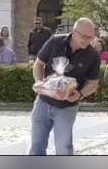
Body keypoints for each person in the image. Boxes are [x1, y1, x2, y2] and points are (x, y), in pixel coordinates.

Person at [30, 17, 101, 155]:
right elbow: (38, 64)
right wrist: (39, 82)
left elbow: (93, 84)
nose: (88, 41)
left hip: (66, 108)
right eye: (84, 37)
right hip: (42, 104)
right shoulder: (55, 41)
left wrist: (80, 94)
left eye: (90, 37)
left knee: (64, 149)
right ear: (74, 32)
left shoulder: (92, 55)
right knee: (36, 147)